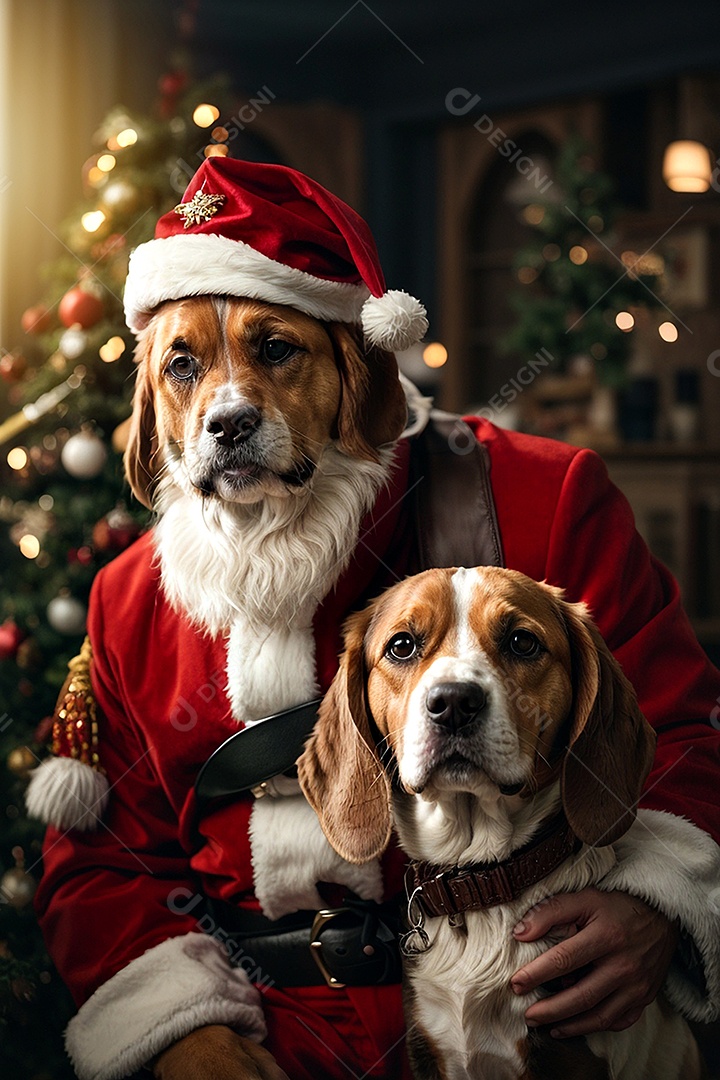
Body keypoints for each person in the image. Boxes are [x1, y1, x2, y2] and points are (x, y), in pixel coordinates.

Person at [27, 157, 720, 1080]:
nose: (227, 407)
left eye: (277, 351)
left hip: (525, 1018)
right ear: (155, 415)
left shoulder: (542, 498)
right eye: (184, 369)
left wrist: (656, 904)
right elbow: (101, 862)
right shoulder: (125, 602)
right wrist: (181, 1035)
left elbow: (683, 734)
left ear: (359, 374)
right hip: (256, 1026)